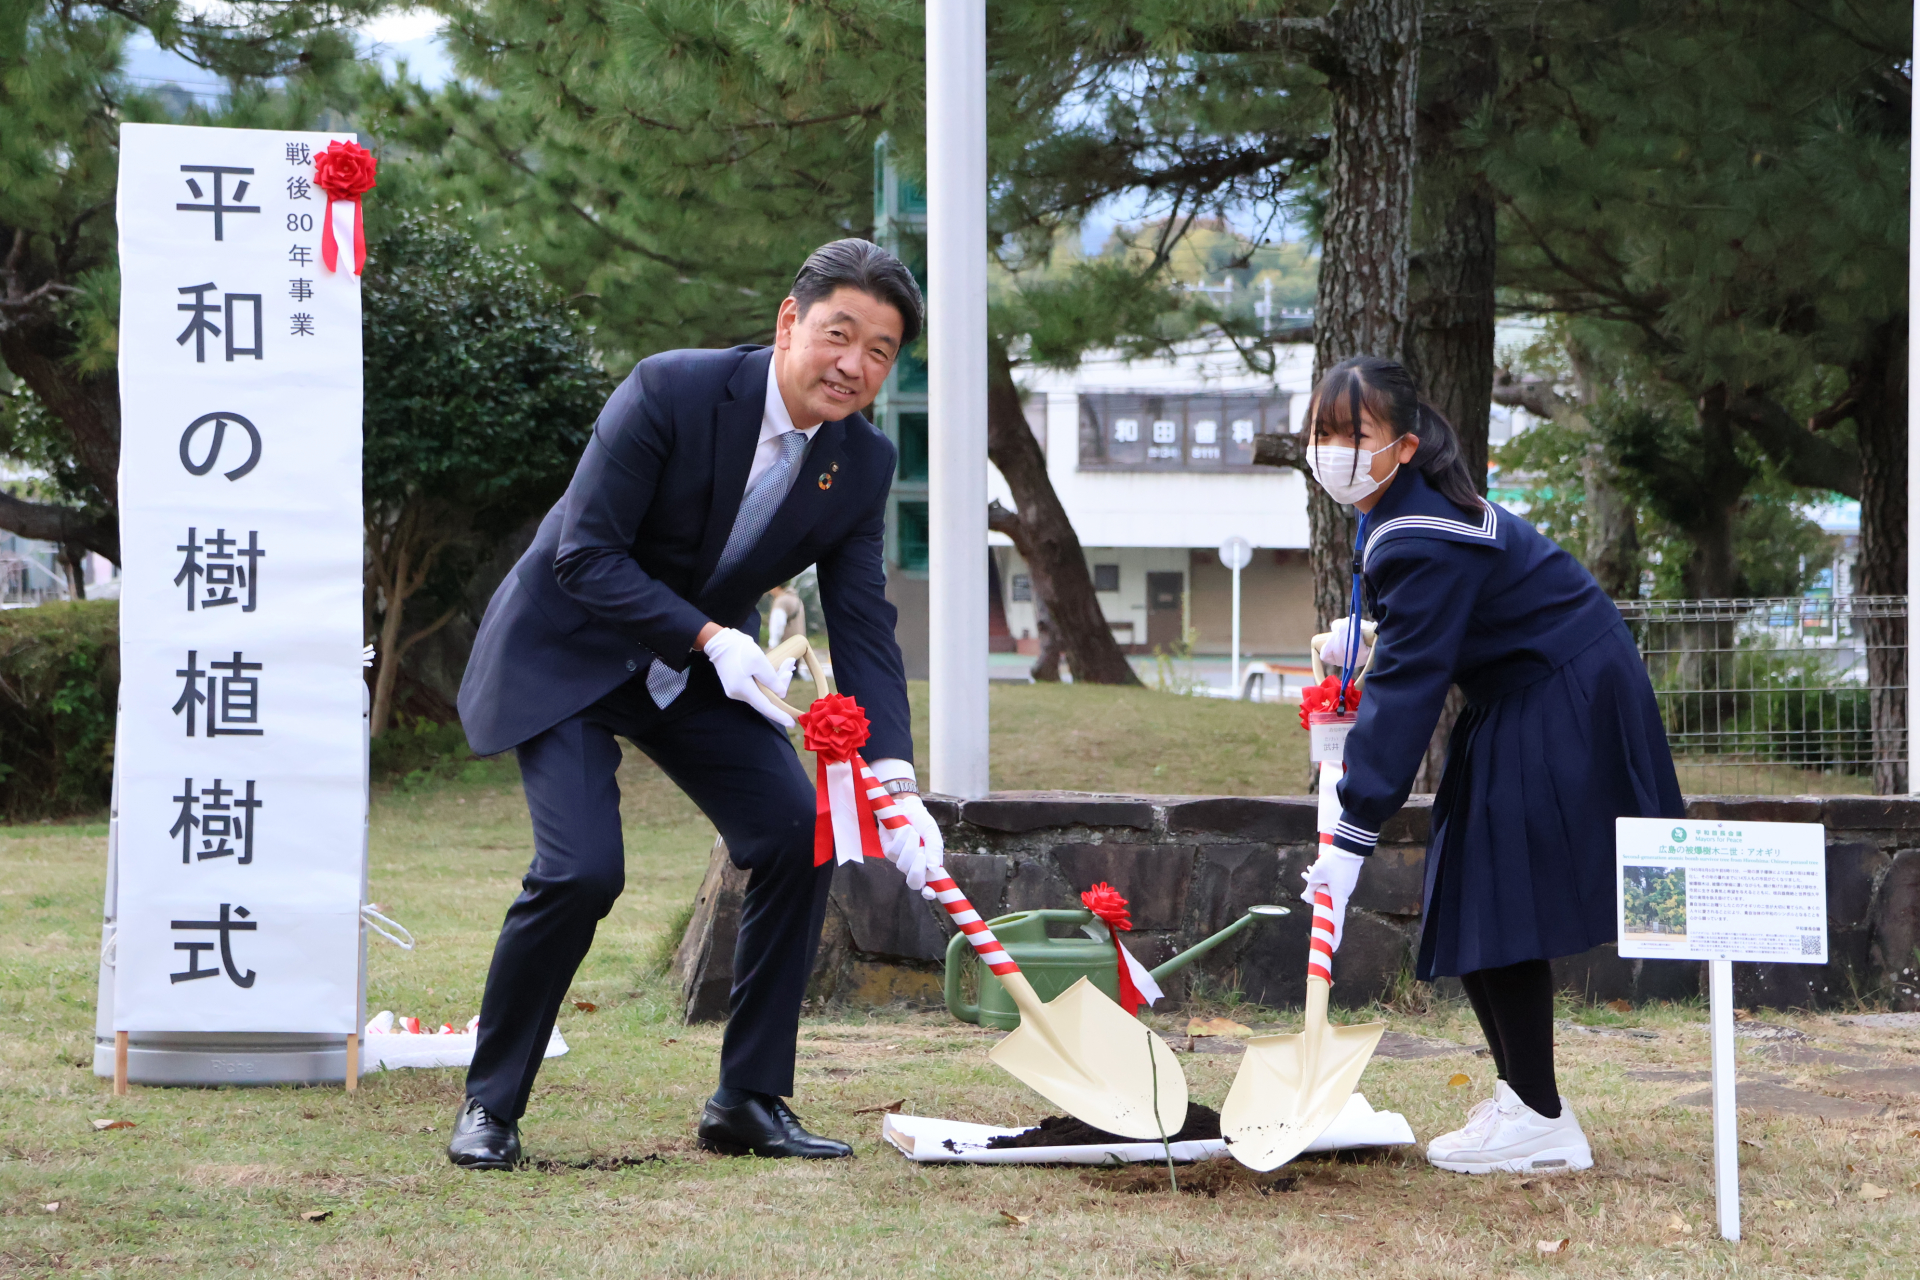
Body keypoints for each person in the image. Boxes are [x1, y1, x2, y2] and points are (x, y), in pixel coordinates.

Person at [448, 239, 942, 1168]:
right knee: (582, 870)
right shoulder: (670, 389)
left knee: (801, 834)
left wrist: (898, 780)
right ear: (789, 322)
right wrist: (714, 638)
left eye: (881, 351)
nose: (855, 365)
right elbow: (583, 555)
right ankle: (490, 1105)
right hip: (572, 650)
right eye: (841, 334)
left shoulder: (859, 463)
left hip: (693, 673)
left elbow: (866, 625)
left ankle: (748, 1101)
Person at [1296, 354, 1683, 1177]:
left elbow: (1407, 694)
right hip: (1532, 687)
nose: (1331, 448)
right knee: (1476, 890)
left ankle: (1540, 1115)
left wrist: (1352, 835)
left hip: (1557, 692)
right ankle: (1525, 1101)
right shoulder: (1405, 509)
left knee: (1497, 893)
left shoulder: (1418, 530)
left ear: (1400, 446)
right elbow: (1440, 630)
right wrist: (1368, 638)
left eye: (1350, 433)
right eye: (1321, 431)